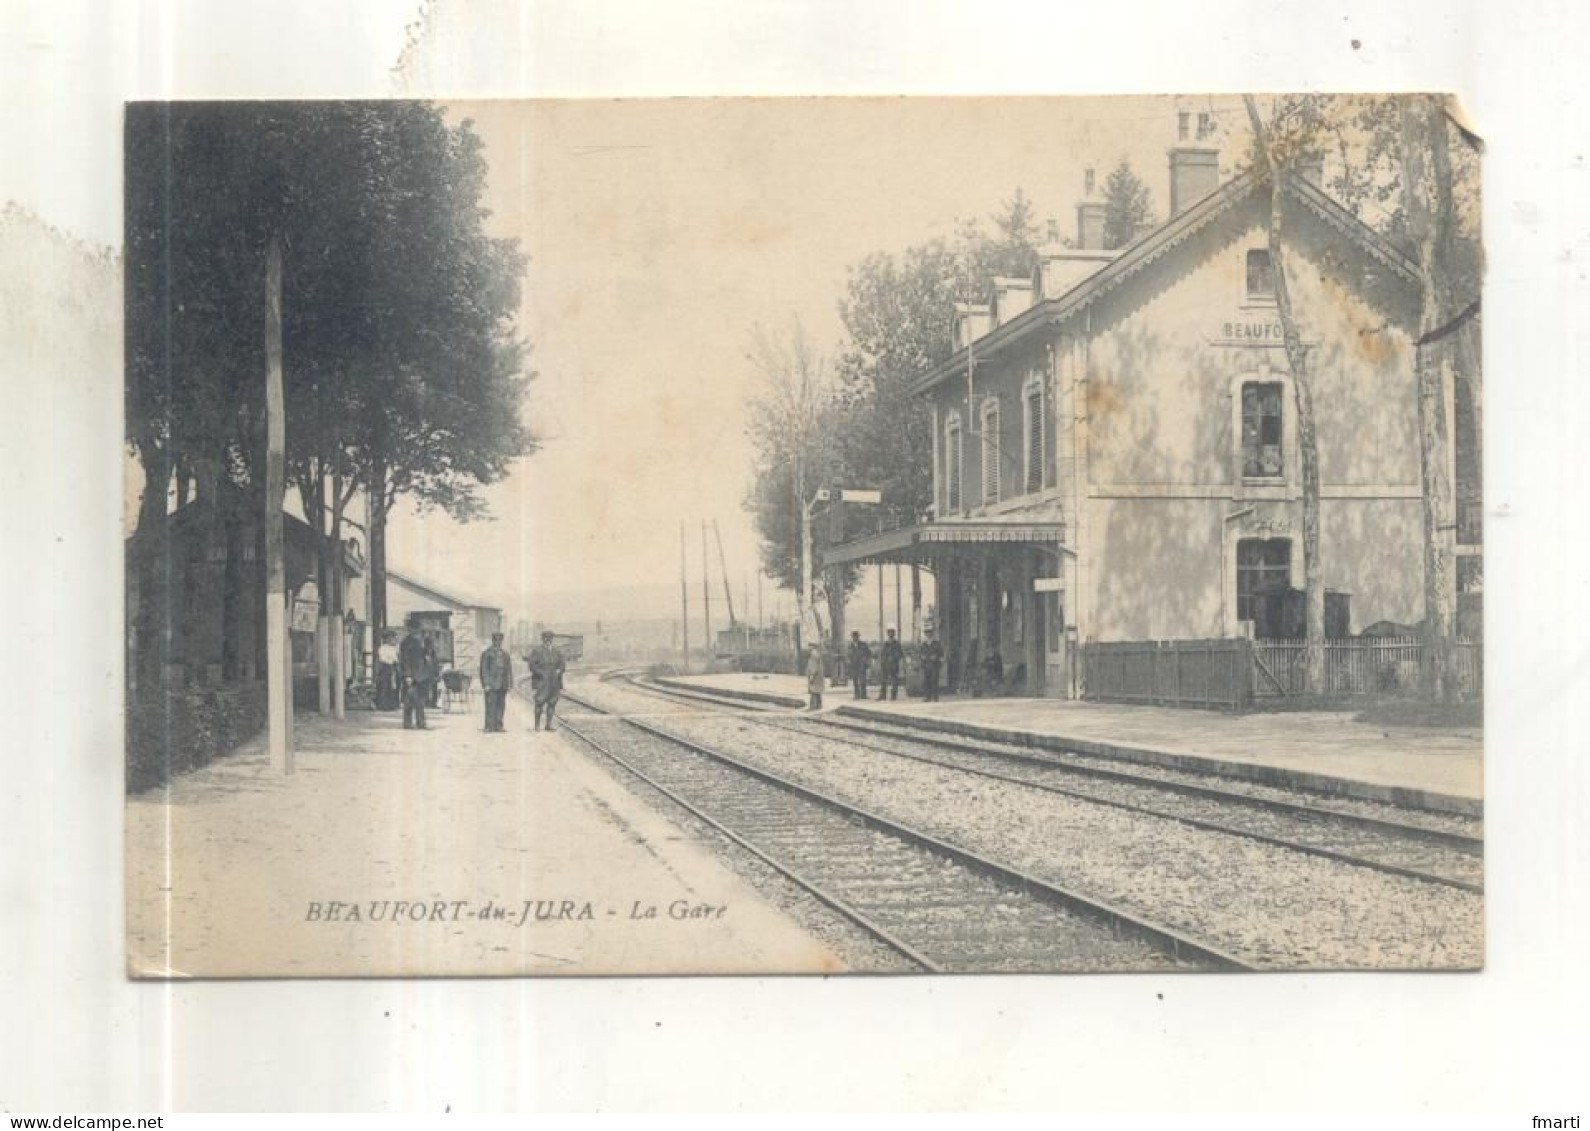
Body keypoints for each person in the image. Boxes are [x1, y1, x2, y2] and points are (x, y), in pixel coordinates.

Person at [528, 630, 566, 731]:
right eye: (545, 638)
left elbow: (562, 664)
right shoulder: (537, 651)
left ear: (552, 639)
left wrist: (559, 670)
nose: (548, 640)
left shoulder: (557, 651)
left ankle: (548, 725)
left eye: (550, 638)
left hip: (554, 682)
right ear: (542, 639)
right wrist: (541, 673)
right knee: (539, 703)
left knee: (552, 703)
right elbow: (532, 665)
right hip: (541, 682)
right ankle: (537, 725)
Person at [479, 631, 514, 733]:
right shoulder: (487, 653)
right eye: (496, 640)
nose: (498, 642)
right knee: (490, 705)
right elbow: (484, 670)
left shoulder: (505, 655)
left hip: (503, 684)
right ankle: (489, 726)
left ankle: (499, 725)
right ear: (493, 640)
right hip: (491, 684)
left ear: (502, 641)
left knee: (501, 705)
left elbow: (509, 670)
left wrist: (510, 684)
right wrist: (486, 684)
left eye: (500, 640)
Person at [398, 623, 430, 730]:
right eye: (414, 629)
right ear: (409, 629)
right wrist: (408, 675)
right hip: (412, 674)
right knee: (409, 700)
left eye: (418, 629)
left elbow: (427, 654)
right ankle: (409, 723)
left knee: (419, 699)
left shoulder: (422, 641)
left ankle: (420, 722)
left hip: (421, 674)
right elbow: (405, 660)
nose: (417, 631)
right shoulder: (406, 643)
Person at [376, 631, 400, 710]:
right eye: (391, 638)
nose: (393, 640)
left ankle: (392, 704)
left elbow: (397, 658)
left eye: (393, 638)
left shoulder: (394, 647)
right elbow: (384, 658)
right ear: (386, 639)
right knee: (385, 686)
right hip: (385, 667)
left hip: (392, 667)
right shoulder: (383, 648)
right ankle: (383, 705)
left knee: (392, 686)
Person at [878, 626, 903, 701]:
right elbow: (882, 654)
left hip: (894, 665)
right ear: (887, 633)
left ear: (894, 633)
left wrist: (893, 658)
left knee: (894, 680)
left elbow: (900, 654)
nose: (890, 633)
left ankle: (893, 696)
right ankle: (883, 695)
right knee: (883, 680)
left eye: (892, 632)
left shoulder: (897, 643)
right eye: (889, 632)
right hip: (885, 665)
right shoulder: (885, 643)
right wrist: (883, 661)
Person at [847, 630, 872, 700]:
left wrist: (865, 660)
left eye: (856, 636)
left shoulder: (863, 645)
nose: (855, 637)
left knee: (863, 681)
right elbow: (848, 655)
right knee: (855, 681)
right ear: (852, 637)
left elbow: (869, 653)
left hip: (861, 665)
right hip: (854, 666)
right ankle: (856, 695)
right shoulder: (850, 646)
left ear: (858, 637)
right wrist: (849, 662)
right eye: (853, 636)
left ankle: (863, 695)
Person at [920, 631, 945, 702]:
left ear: (932, 635)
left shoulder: (937, 644)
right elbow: (921, 654)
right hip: (926, 665)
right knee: (926, 681)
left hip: (934, 665)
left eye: (930, 634)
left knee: (934, 681)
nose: (928, 635)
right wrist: (922, 657)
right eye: (927, 634)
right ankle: (927, 697)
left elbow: (941, 655)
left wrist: (936, 657)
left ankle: (935, 697)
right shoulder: (924, 644)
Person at [805, 642, 825, 710]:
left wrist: (811, 676)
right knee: (817, 691)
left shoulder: (813, 655)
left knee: (813, 690)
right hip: (819, 675)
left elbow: (813, 666)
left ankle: (813, 706)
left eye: (809, 646)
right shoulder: (817, 654)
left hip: (815, 676)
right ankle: (819, 705)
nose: (808, 648)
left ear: (812, 647)